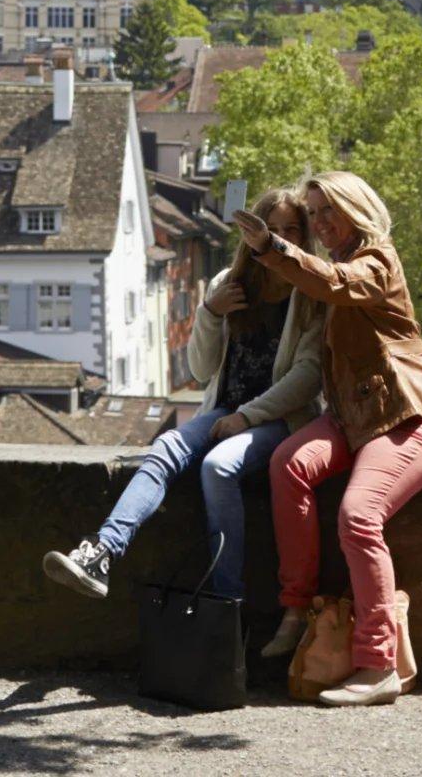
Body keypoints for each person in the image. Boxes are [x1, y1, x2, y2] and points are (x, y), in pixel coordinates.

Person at [242, 170, 422, 709]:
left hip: (410, 416)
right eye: (314, 213)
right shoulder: (333, 266)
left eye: (329, 210)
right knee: (288, 463)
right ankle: (296, 608)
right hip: (354, 417)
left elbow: (334, 284)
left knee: (358, 516)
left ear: (356, 209)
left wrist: (272, 247)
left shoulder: (377, 260)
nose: (320, 222)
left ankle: (378, 663)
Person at [44, 186, 324, 602]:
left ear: (304, 236)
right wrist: (210, 313)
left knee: (218, 466)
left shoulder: (313, 293)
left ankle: (227, 599)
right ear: (254, 234)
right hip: (224, 410)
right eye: (272, 229)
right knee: (165, 448)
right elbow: (201, 370)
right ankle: (102, 553)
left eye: (292, 230)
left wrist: (247, 417)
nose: (281, 239)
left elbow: (308, 377)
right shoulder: (230, 284)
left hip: (280, 419)